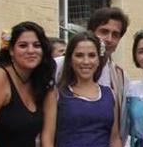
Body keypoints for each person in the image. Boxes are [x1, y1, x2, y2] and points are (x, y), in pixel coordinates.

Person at [55, 8, 131, 139]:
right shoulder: (59, 66)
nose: (109, 39)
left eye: (115, 35)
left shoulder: (120, 77)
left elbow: (120, 126)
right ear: (91, 32)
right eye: (104, 31)